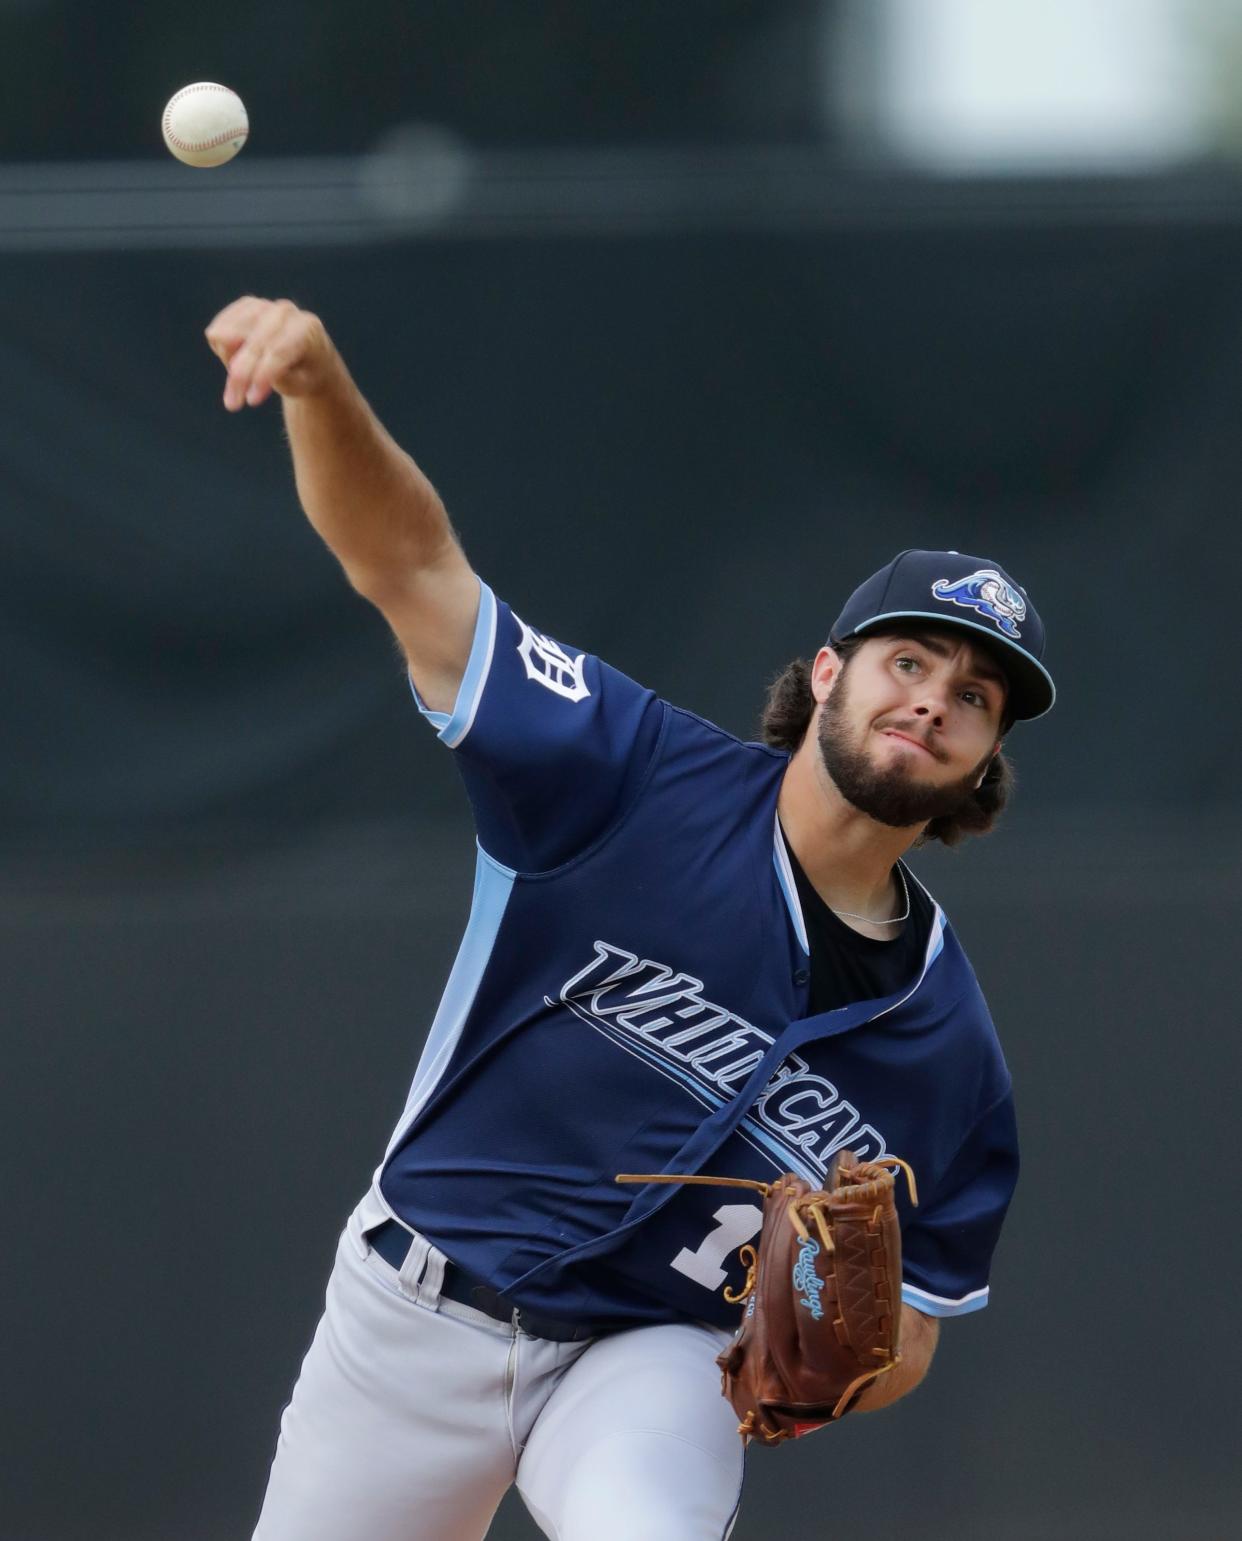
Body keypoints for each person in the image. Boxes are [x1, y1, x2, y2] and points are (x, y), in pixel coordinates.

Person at [206, 296, 1055, 1541]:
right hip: (417, 1310)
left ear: (983, 763)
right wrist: (325, 391)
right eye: (908, 660)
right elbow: (414, 569)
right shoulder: (623, 772)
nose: (932, 701)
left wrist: (846, 1360)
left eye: (974, 695)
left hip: (653, 1358)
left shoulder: (950, 1049)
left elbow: (916, 1321)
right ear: (829, 672)